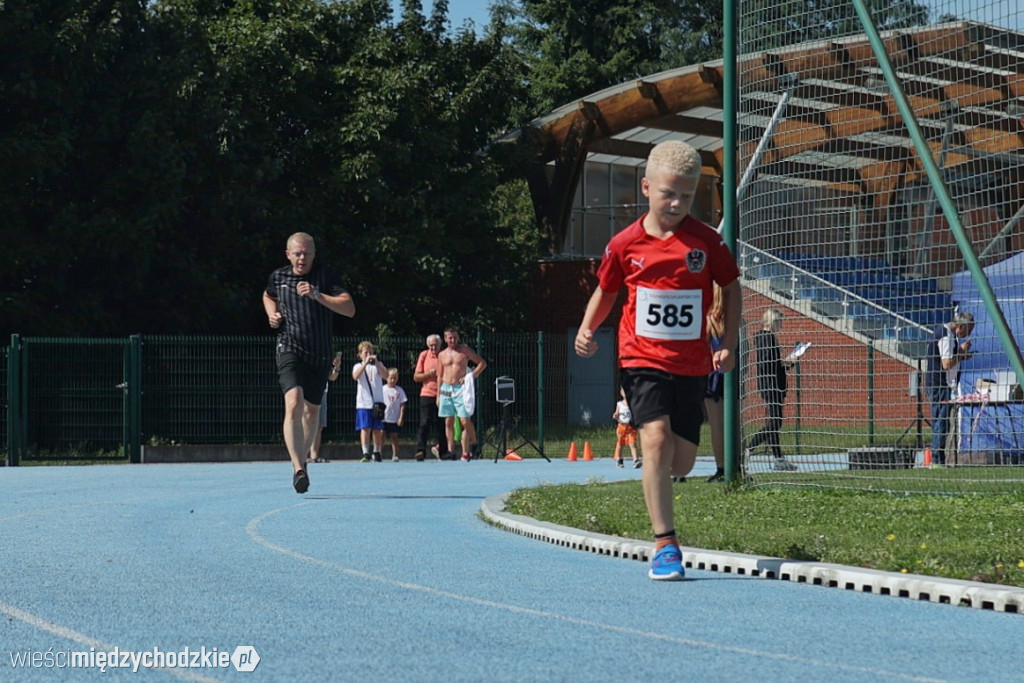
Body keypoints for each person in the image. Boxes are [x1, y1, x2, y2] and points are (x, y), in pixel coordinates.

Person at [574, 140, 741, 581]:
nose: (676, 203)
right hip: (640, 357)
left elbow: (732, 285)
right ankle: (665, 543)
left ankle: (657, 482)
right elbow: (607, 290)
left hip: (690, 364)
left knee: (681, 461)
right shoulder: (625, 244)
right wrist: (587, 328)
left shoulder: (705, 242)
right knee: (654, 439)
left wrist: (729, 339)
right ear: (646, 187)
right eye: (668, 193)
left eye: (686, 196)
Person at [263, 232, 355, 494]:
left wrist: (317, 295)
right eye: (297, 253)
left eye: (306, 253)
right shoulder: (278, 277)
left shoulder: (326, 277)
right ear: (288, 254)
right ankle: (298, 468)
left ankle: (301, 460)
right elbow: (268, 296)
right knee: (293, 402)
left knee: (311, 411)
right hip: (289, 346)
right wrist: (272, 314)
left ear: (314, 254)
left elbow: (349, 308)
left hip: (320, 352)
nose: (302, 258)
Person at [745, 308, 797, 471]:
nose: (781, 325)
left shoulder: (763, 338)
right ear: (773, 322)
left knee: (773, 422)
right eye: (779, 321)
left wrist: (784, 363)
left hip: (770, 383)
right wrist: (786, 361)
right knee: (775, 422)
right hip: (771, 385)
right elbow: (769, 363)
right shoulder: (767, 338)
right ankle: (749, 449)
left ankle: (779, 458)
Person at [925, 311, 975, 466]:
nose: (968, 334)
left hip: (940, 384)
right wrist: (961, 354)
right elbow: (946, 364)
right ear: (960, 327)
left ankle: (938, 459)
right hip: (939, 385)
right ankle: (937, 461)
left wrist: (960, 353)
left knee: (942, 422)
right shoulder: (946, 336)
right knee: (941, 422)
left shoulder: (947, 335)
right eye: (968, 330)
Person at [438, 326, 488, 461]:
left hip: (460, 389)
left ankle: (474, 445)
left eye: (455, 337)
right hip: (446, 388)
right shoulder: (442, 355)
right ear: (445, 339)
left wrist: (471, 376)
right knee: (448, 420)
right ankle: (451, 450)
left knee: (465, 420)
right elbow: (439, 375)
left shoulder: (464, 351)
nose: (453, 340)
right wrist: (438, 394)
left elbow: (482, 363)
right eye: (450, 338)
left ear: (458, 337)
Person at [705, 283, 727, 482]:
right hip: (730, 372)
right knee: (733, 422)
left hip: (713, 375)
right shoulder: (735, 317)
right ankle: (736, 462)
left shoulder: (709, 318)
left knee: (716, 424)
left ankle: (721, 466)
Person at [413, 334, 447, 461]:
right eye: (431, 345)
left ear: (440, 345)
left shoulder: (444, 355)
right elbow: (416, 377)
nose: (433, 347)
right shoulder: (424, 355)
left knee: (442, 424)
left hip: (443, 393)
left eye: (435, 345)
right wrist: (428, 374)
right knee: (424, 423)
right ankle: (421, 450)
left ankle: (443, 452)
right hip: (427, 393)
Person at [353, 341, 387, 463]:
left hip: (377, 402)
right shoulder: (358, 366)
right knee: (365, 428)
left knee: (377, 429)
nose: (369, 354)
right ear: (360, 354)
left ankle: (377, 451)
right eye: (366, 352)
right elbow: (355, 376)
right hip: (363, 402)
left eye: (370, 352)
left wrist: (377, 363)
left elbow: (386, 375)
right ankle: (365, 451)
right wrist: (365, 363)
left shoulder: (379, 365)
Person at [308, 351, 343, 463]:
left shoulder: (324, 359)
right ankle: (302, 455)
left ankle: (314, 455)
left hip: (322, 392)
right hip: (309, 391)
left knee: (319, 425)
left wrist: (337, 367)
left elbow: (332, 377)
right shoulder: (307, 356)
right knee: (307, 425)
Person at [383, 367, 408, 462]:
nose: (393, 380)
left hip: (394, 418)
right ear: (386, 378)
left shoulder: (399, 390)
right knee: (381, 435)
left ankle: (395, 455)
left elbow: (403, 404)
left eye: (395, 378)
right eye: (391, 378)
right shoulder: (383, 389)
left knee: (394, 436)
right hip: (384, 417)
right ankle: (379, 453)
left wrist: (401, 417)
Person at [612, 388, 641, 468]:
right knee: (621, 443)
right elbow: (616, 413)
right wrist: (615, 415)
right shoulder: (619, 404)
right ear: (621, 393)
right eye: (624, 391)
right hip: (622, 426)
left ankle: (636, 460)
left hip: (631, 426)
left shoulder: (632, 404)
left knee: (633, 443)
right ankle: (619, 459)